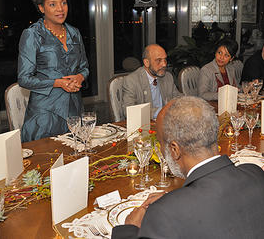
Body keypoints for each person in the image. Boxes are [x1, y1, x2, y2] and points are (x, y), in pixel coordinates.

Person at [111, 96, 264, 239]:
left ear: (175, 150)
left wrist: (129, 228)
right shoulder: (255, 172)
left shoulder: (164, 214)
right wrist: (177, 200)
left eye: (160, 143)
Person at [18, 0, 89, 142]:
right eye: (53, 4)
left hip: (74, 111)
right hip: (44, 115)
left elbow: (84, 67)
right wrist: (57, 83)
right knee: (46, 164)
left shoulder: (74, 33)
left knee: (76, 162)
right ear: (41, 8)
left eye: (63, 2)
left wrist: (80, 76)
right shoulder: (32, 35)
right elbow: (24, 79)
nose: (60, 9)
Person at [122, 44, 181, 119]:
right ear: (146, 62)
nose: (164, 64)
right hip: (144, 125)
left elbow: (178, 98)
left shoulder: (167, 77)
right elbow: (129, 111)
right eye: (159, 60)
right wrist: (162, 112)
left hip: (166, 123)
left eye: (165, 60)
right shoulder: (132, 80)